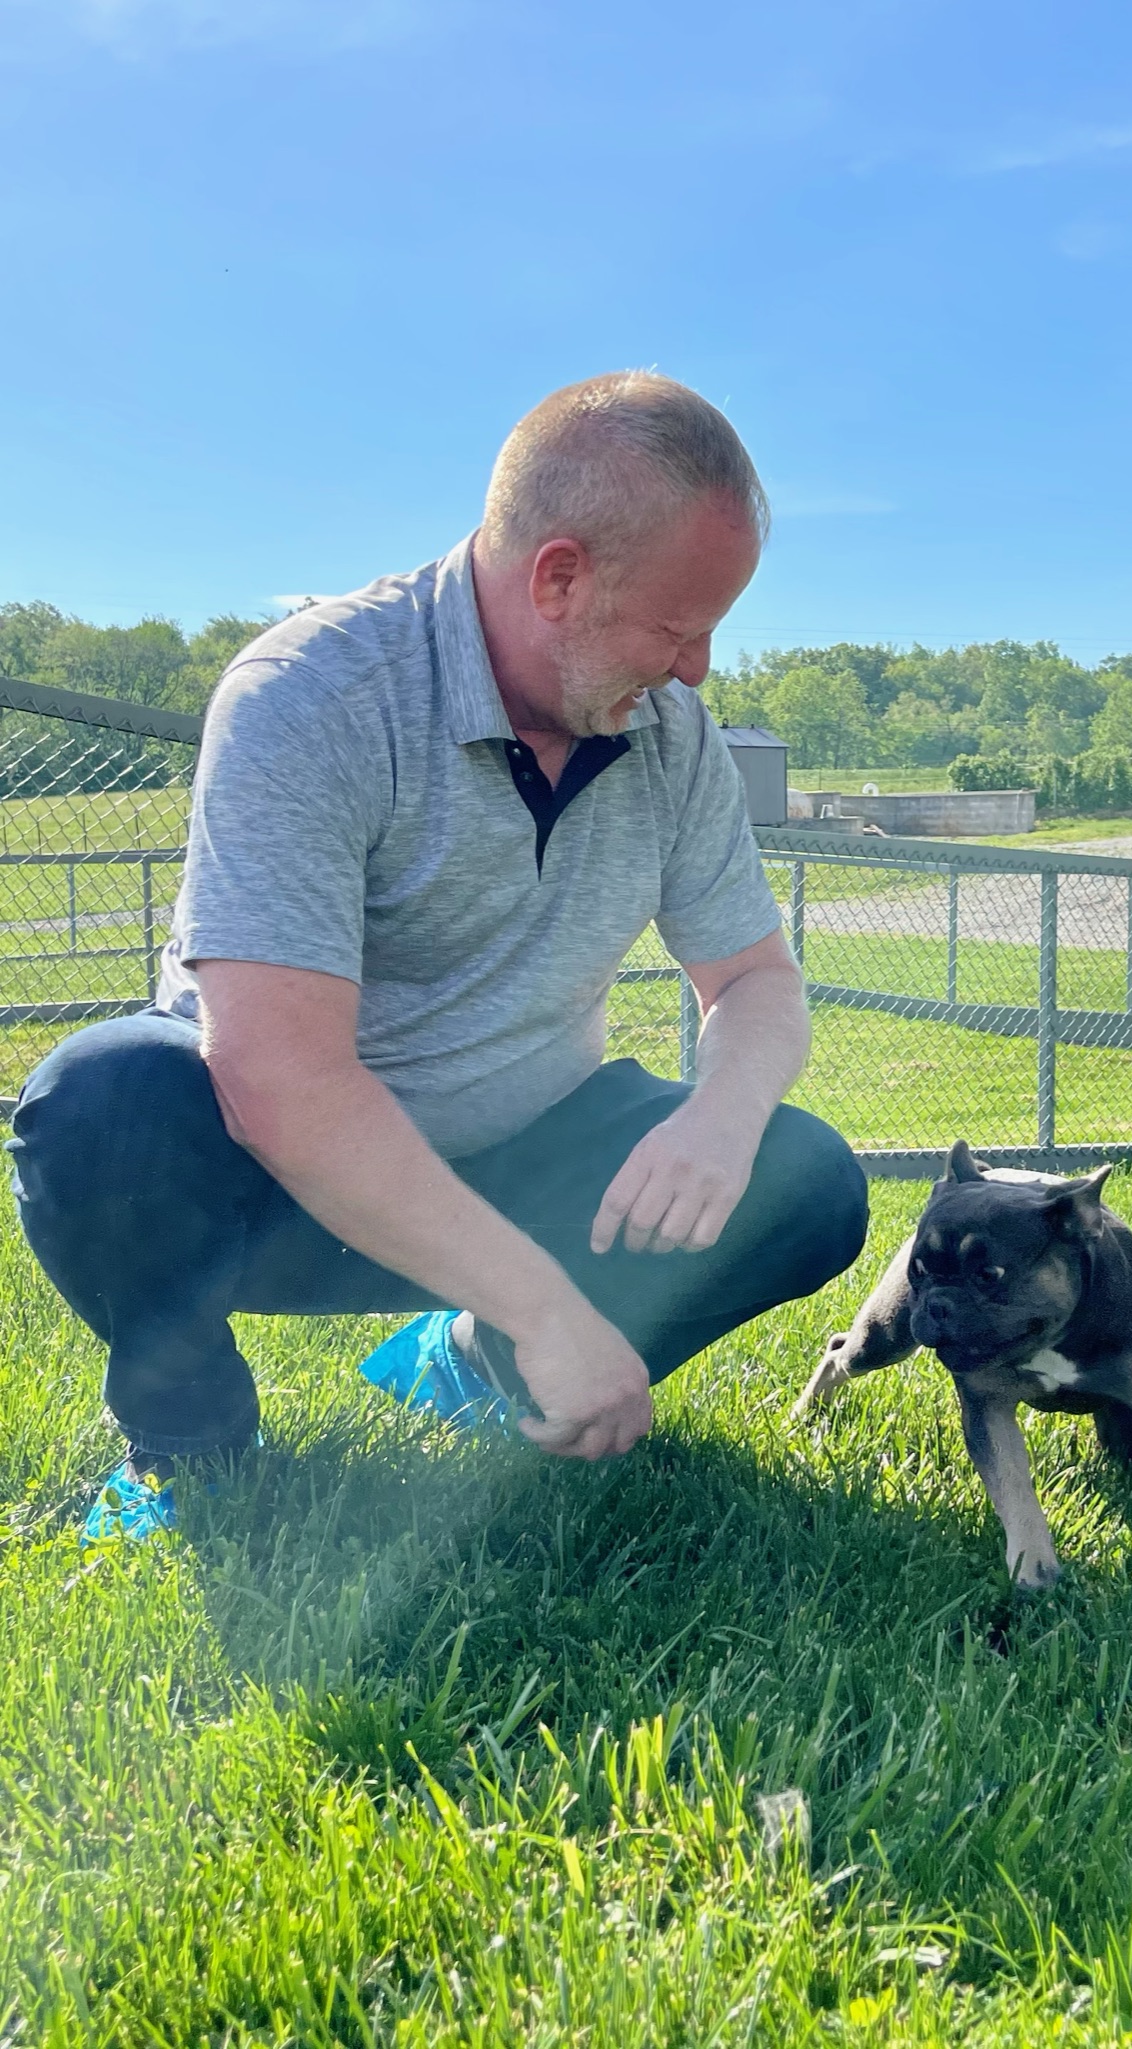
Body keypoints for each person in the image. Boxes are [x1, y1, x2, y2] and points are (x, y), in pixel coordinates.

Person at [7, 370, 869, 1541]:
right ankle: (190, 1450)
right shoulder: (309, 696)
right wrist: (547, 1304)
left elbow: (756, 981)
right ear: (557, 576)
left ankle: (479, 1367)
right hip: (276, 1183)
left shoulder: (669, 734)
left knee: (806, 1177)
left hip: (522, 1151)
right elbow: (278, 1081)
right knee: (96, 1103)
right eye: (678, 627)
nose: (698, 669)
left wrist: (719, 1118)